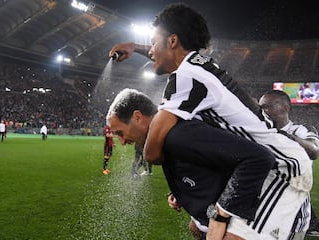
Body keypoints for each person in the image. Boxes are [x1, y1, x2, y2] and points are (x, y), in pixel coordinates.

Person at [109, 4, 312, 239]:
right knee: (198, 227)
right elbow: (165, 53)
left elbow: (152, 151)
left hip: (280, 168)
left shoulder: (187, 77)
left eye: (154, 42)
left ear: (173, 41)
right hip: (256, 163)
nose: (151, 51)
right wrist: (135, 48)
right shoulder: (198, 66)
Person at [107, 88, 277, 240]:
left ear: (137, 117)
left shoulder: (179, 136)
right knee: (194, 227)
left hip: (239, 228)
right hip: (209, 225)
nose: (121, 141)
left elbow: (259, 158)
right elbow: (211, 163)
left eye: (120, 133)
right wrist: (181, 190)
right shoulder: (164, 137)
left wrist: (221, 215)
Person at [259, 90, 319, 237]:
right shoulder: (259, 132)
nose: (263, 111)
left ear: (285, 108)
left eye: (268, 106)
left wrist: (281, 135)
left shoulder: (300, 130)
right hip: (263, 207)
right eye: (261, 108)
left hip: (293, 211)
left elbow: (314, 151)